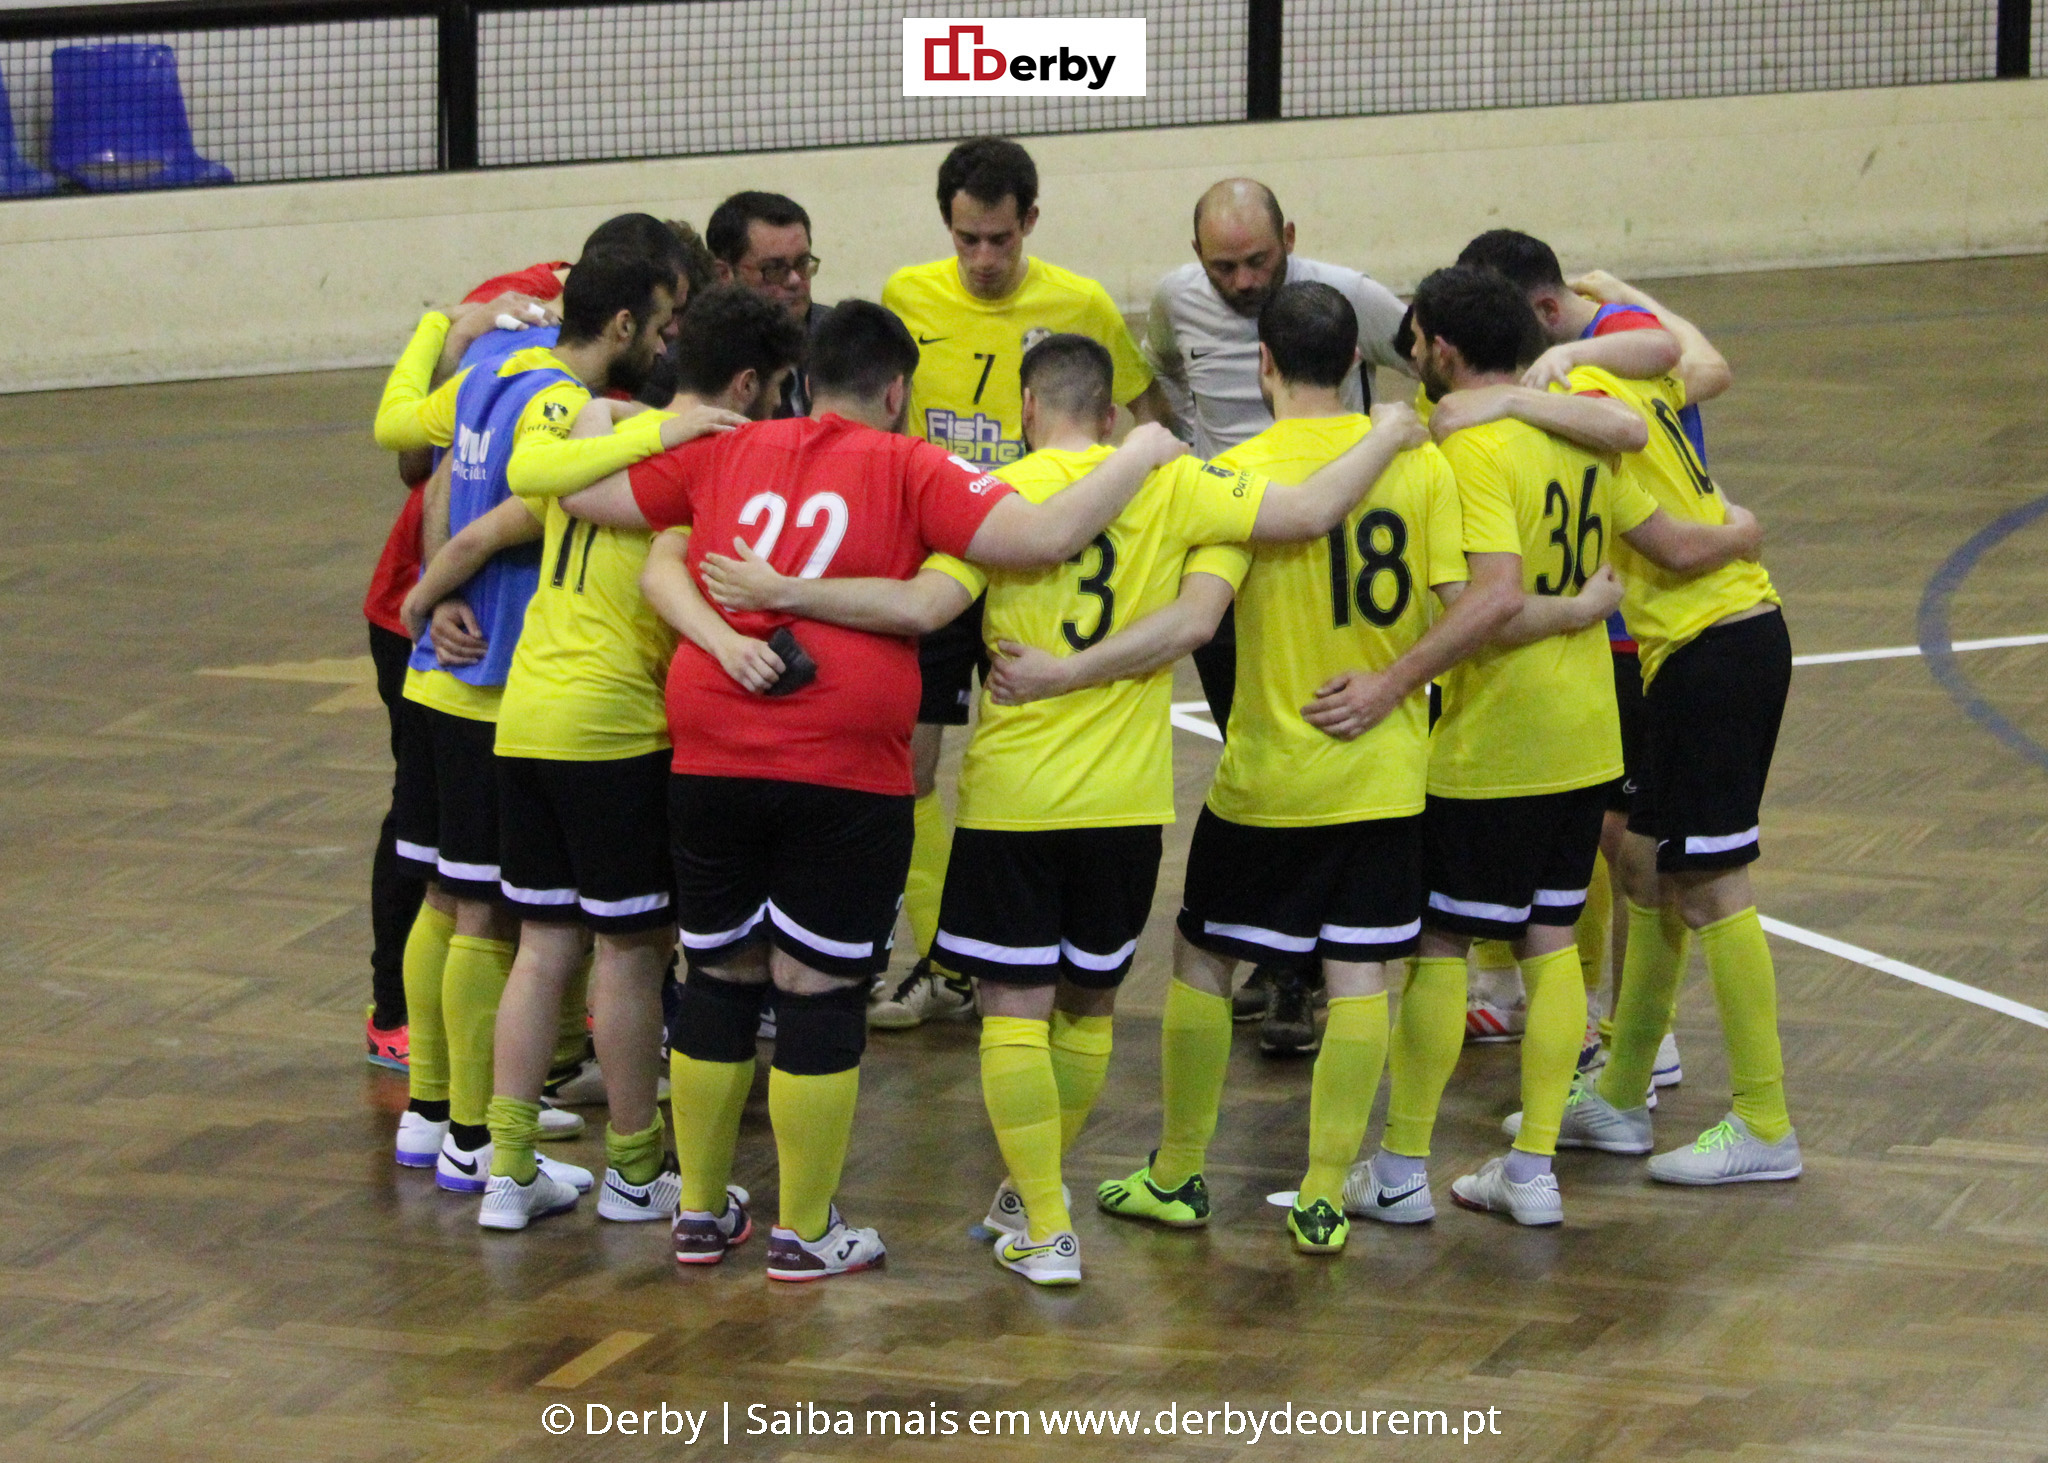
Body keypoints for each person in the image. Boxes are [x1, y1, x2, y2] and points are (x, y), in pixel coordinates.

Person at [697, 325, 1434, 1286]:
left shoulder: (997, 497)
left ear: (1030, 408)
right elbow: (1294, 522)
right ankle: (1028, 1203)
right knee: (1087, 1014)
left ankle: (1044, 1223)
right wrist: (1388, 432)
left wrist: (780, 590)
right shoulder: (1176, 484)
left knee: (1011, 1016)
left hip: (1014, 800)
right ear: (1117, 409)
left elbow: (918, 607)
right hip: (1127, 806)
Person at [542, 300, 1189, 1281]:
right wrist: (1141, 451)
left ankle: (703, 1211)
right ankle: (803, 1230)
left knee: (717, 977)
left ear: (802, 377)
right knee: (819, 987)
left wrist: (646, 430)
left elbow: (583, 497)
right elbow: (1049, 533)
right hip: (841, 769)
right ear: (897, 390)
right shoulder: (912, 466)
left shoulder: (727, 450)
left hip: (711, 751)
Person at [1064, 284, 1616, 1252]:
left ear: (1262, 365)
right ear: (1358, 363)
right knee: (1358, 970)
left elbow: (1196, 617)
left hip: (1270, 775)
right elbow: (1474, 601)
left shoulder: (1234, 474)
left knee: (1201, 953)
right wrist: (1397, 679)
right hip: (1387, 773)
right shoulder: (1421, 467)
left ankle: (1178, 1169)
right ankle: (1325, 1193)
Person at [1351, 264, 1763, 1228]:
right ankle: (1532, 1167)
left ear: (1443, 351)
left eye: (1416, 346)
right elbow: (1656, 511)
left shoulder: (1466, 451)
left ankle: (1403, 1164)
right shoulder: (1575, 434)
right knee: (1546, 943)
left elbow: (1484, 608)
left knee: (1442, 942)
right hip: (1589, 732)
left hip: (1495, 736)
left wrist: (1391, 683)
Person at [399, 287, 799, 1231]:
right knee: (627, 950)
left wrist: (427, 592)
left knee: (542, 947)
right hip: (613, 729)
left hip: (526, 715)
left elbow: (494, 517)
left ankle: (507, 1169)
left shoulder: (595, 430)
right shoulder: (705, 457)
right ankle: (631, 1169)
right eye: (778, 386)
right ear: (745, 383)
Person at [1469, 238, 1799, 1186]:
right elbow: (1681, 354)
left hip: (1718, 643)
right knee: (1652, 870)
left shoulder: (1589, 403)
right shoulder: (1618, 368)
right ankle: (1619, 1093)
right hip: (1697, 652)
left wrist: (1529, 389)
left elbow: (1678, 539)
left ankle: (1765, 1121)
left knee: (1714, 883)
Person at [873, 136, 1174, 1030]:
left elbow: (1141, 417)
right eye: (967, 239)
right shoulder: (906, 296)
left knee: (1028, 762)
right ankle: (944, 958)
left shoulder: (1078, 304)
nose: (984, 259)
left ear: (1030, 223)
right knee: (914, 767)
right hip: (943, 554)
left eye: (1000, 239)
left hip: (1043, 563)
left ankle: (1034, 947)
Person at [1143, 178, 1414, 1050]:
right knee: (1254, 739)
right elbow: (1160, 378)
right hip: (1235, 556)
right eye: (1223, 266)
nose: (1243, 279)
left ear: (1289, 237)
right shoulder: (1174, 304)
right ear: (1196, 260)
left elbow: (1441, 357)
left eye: (1259, 260)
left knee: (1324, 747)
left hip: (1325, 542)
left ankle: (1298, 972)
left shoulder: (1350, 299)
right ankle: (1298, 950)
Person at [706, 190, 832, 418]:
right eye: (774, 269)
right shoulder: (692, 369)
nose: (795, 280)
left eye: (803, 263)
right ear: (724, 274)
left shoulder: (839, 342)